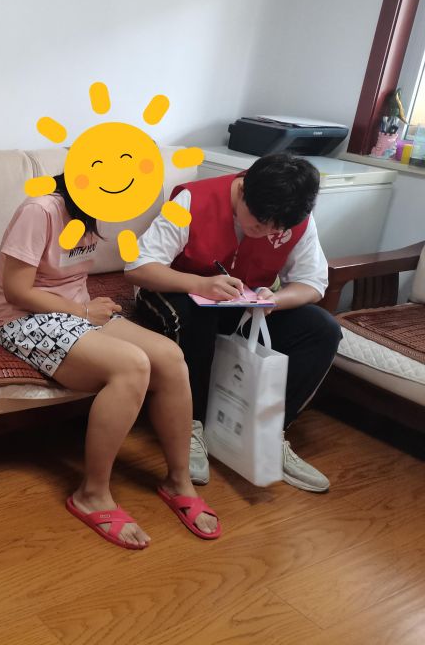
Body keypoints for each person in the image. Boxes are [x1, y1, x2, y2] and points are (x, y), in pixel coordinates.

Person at [0, 174, 221, 550]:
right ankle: (92, 494)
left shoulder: (93, 209)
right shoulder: (41, 210)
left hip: (78, 312)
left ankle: (178, 481)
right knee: (133, 365)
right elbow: (16, 291)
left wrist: (84, 310)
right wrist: (82, 311)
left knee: (170, 357)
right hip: (23, 319)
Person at [123, 153, 342, 492]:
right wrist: (199, 284)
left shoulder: (292, 217)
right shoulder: (194, 200)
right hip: (173, 291)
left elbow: (313, 283)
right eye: (259, 223)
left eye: (276, 229)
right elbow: (138, 267)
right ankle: (190, 427)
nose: (266, 233)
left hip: (240, 302)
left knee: (322, 330)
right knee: (197, 316)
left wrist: (275, 300)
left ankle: (268, 435)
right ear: (242, 190)